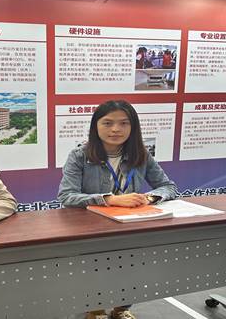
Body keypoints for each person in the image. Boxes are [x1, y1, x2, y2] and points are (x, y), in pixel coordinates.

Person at [58, 99, 178, 319]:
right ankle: (95, 309)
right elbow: (66, 196)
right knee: (95, 269)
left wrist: (149, 198)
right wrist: (110, 199)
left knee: (130, 268)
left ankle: (122, 308)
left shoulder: (141, 154)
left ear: (133, 127)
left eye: (124, 123)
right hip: (92, 227)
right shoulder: (80, 155)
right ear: (96, 126)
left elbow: (168, 186)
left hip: (130, 226)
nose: (116, 129)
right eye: (108, 123)